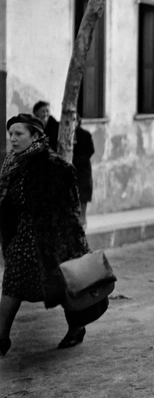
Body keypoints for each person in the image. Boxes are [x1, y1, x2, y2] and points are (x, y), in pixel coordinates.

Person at [0, 114, 91, 356]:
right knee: (11, 286)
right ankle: (1, 338)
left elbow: (70, 211)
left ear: (36, 136)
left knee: (64, 288)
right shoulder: (13, 163)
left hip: (51, 242)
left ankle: (76, 328)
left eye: (19, 134)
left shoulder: (54, 167)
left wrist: (75, 245)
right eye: (11, 134)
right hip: (21, 241)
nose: (13, 138)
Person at [72, 113, 95, 227]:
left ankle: (83, 218)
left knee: (83, 195)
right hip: (70, 169)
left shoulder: (85, 135)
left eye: (75, 120)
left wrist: (80, 161)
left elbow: (91, 150)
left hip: (83, 169)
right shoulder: (66, 135)